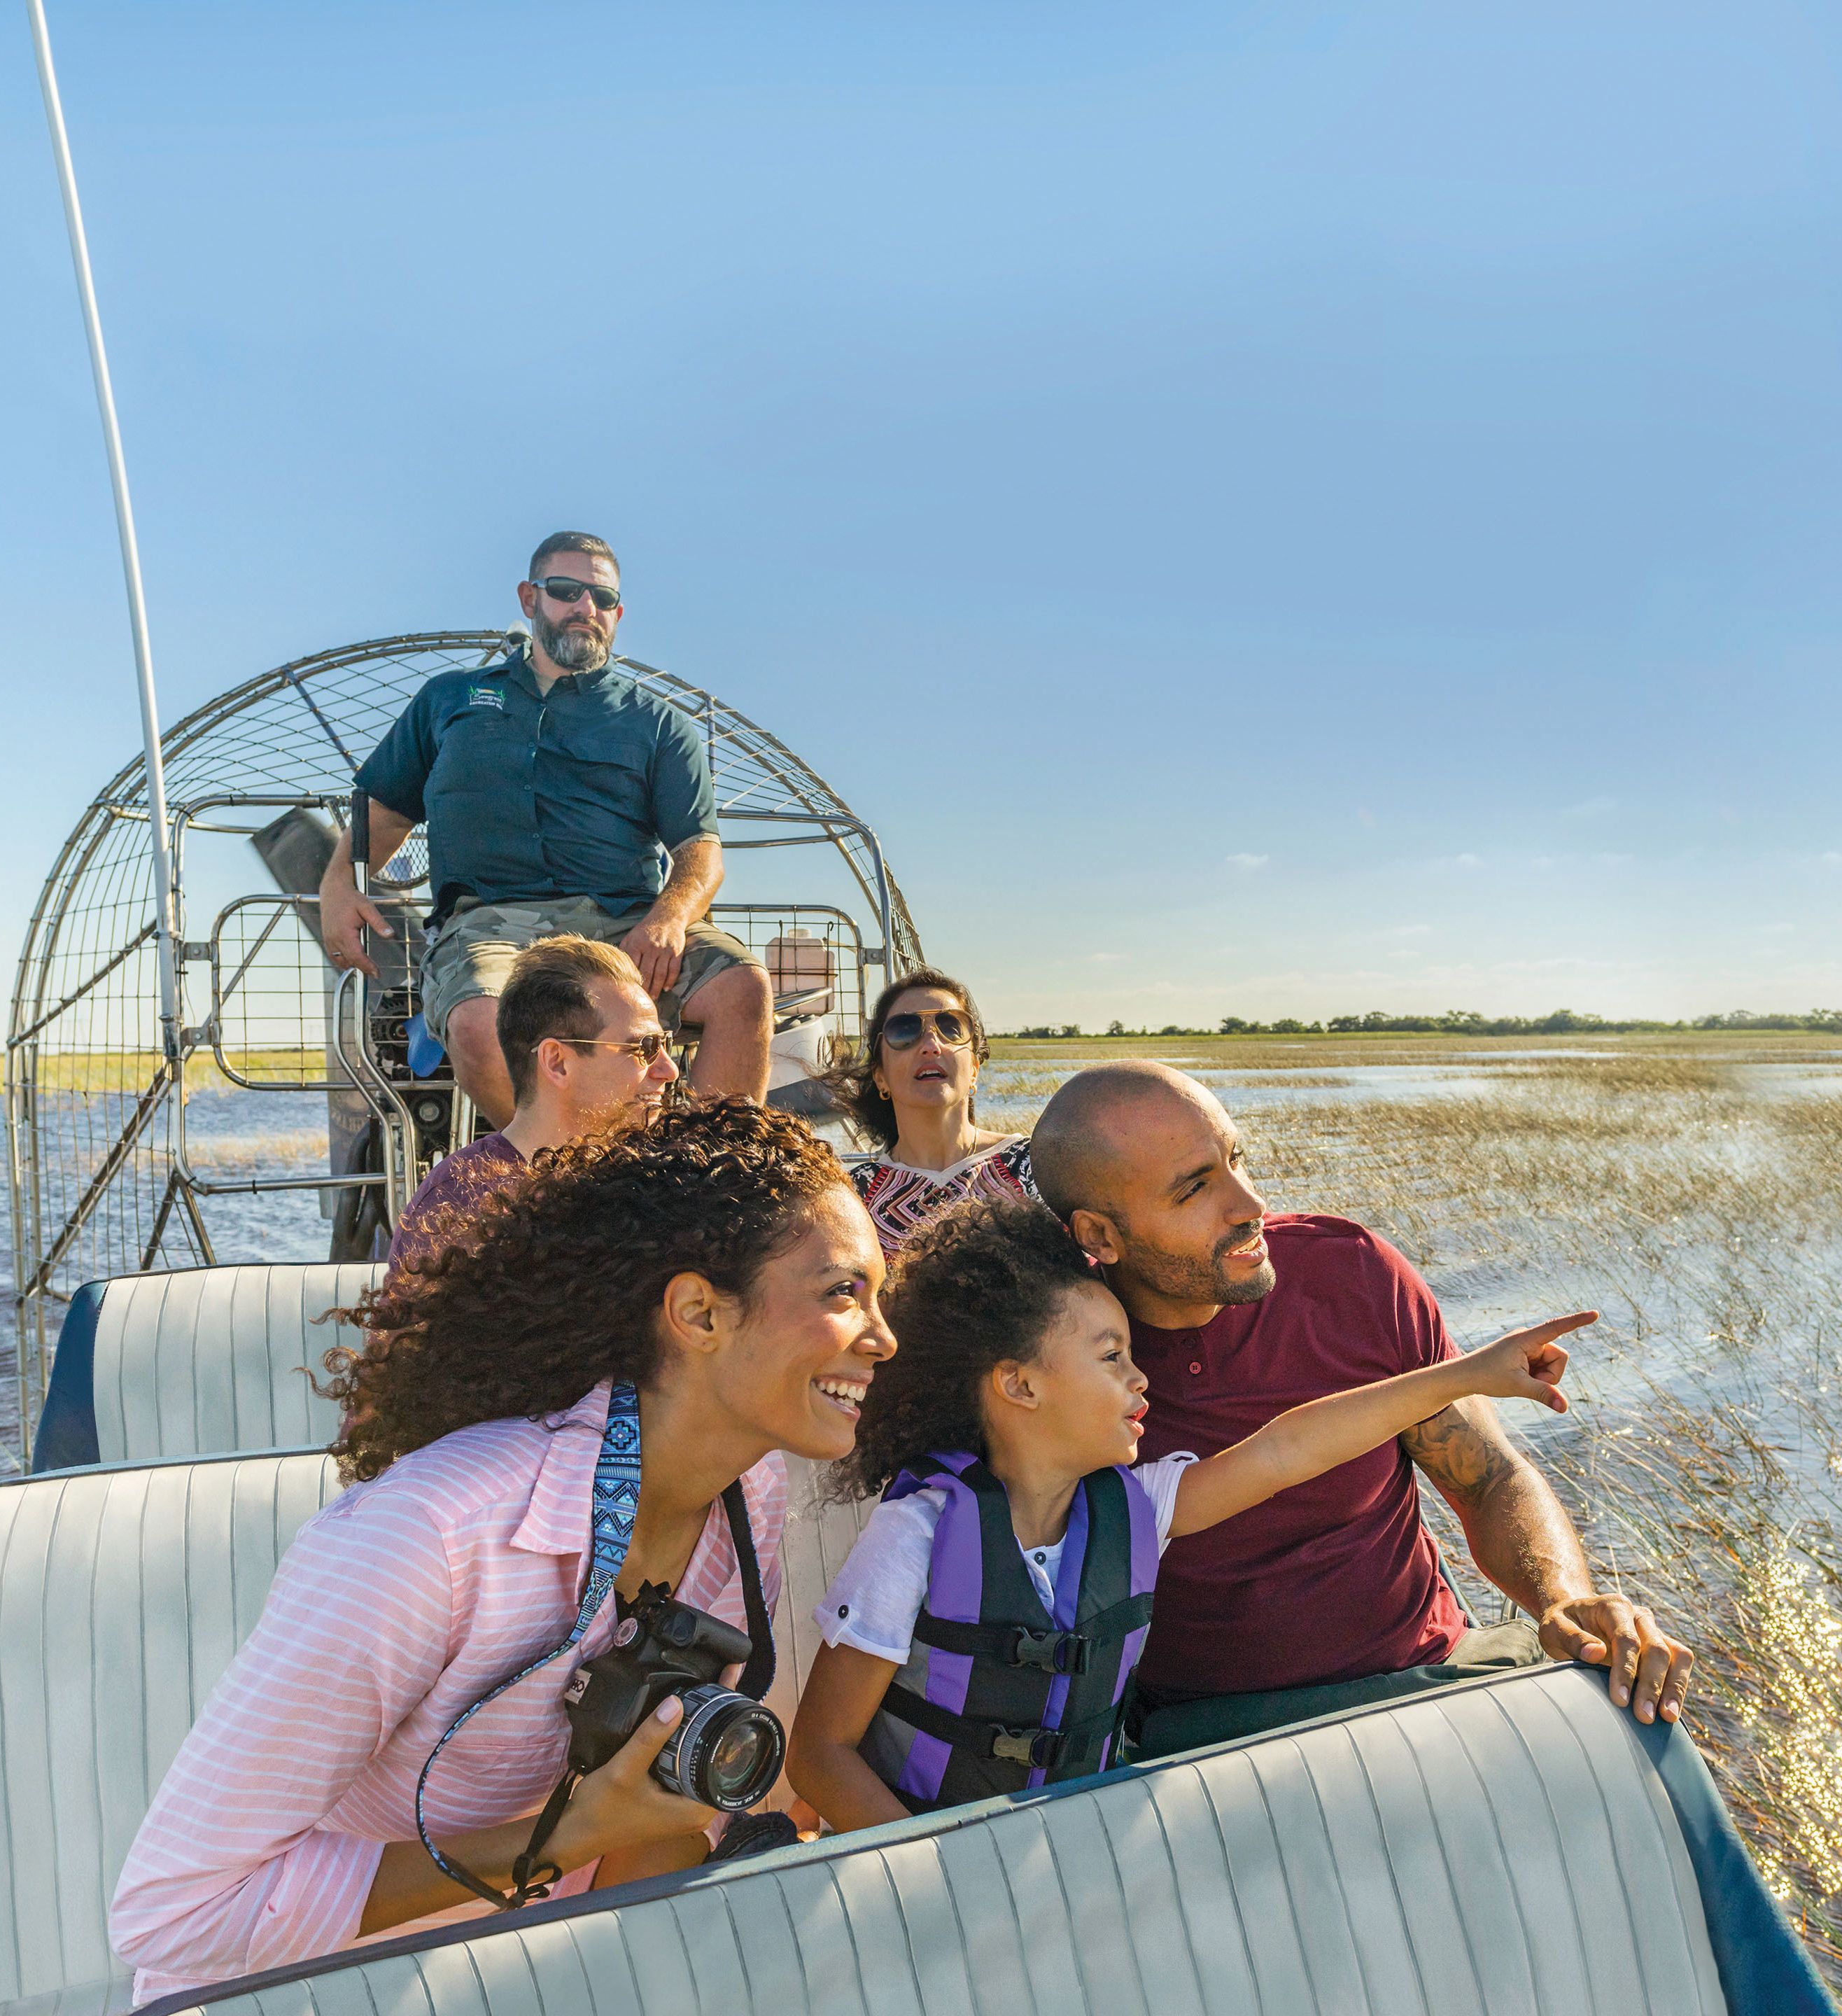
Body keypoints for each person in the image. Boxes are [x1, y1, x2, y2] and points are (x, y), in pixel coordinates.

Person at [108, 1101, 894, 2003]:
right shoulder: (431, 1538)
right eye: (844, 1293)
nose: (884, 1338)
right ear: (697, 1313)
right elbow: (176, 1913)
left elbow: (647, 1816)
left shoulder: (746, 1495)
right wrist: (559, 1840)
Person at [785, 1194, 1593, 1827]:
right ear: (1018, 1385)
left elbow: (1291, 1447)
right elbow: (820, 1753)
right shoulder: (915, 1536)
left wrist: (1464, 1375)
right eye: (1112, 1358)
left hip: (1073, 1834)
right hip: (932, 1855)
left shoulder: (1138, 1506)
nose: (1143, 1382)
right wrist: (939, 1874)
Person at [1029, 1062, 1696, 1756]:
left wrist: (1563, 1600)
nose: (1248, 1203)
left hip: (1430, 1674)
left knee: (1641, 1732)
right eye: (1196, 1188)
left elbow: (1489, 1478)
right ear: (1099, 1236)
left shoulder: (1352, 1272)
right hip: (1207, 1740)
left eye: (1236, 1159)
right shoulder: (1057, 1354)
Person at [314, 531, 801, 1124]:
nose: (584, 608)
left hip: (627, 926)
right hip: (488, 923)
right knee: (476, 1023)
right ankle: (561, 1188)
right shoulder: (450, 699)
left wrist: (669, 919)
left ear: (617, 613)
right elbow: (384, 811)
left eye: (601, 597)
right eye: (566, 591)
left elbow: (701, 851)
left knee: (743, 989)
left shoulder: (659, 723)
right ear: (529, 599)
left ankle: (699, 1182)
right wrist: (337, 884)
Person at [385, 934, 677, 1273]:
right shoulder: (459, 1207)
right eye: (645, 1047)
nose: (668, 1070)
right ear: (557, 1062)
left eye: (665, 1044)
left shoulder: (651, 1186)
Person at [822, 969, 1034, 1250]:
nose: (932, 1046)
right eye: (905, 1031)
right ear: (880, 1077)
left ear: (974, 1070)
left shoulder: (1035, 1166)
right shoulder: (854, 1196)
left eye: (951, 1028)